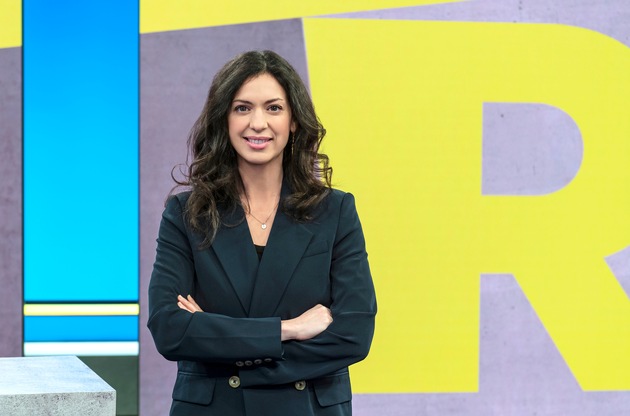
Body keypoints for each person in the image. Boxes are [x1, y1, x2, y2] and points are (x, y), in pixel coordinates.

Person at [148, 50, 376, 416]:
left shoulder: (335, 212)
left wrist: (217, 338)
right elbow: (170, 329)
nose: (258, 123)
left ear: (294, 120)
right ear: (224, 119)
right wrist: (288, 329)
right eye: (242, 108)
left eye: (273, 108)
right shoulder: (186, 214)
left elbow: (353, 334)